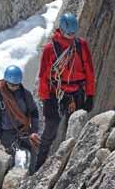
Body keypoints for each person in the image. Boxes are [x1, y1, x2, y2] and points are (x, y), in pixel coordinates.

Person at [36, 12, 96, 170]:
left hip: (76, 93)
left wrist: (90, 95)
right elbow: (43, 76)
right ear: (61, 30)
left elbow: (89, 71)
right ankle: (38, 166)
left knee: (74, 130)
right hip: (57, 94)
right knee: (50, 130)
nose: (71, 36)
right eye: (68, 33)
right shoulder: (50, 49)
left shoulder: (80, 45)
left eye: (73, 34)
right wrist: (46, 100)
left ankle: (71, 166)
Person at [0, 65, 41, 170]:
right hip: (6, 135)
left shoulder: (25, 94)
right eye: (11, 85)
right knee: (7, 158)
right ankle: (8, 179)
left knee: (35, 148)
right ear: (6, 81)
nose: (14, 87)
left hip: (24, 130)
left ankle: (32, 174)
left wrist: (34, 131)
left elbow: (34, 112)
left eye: (16, 85)